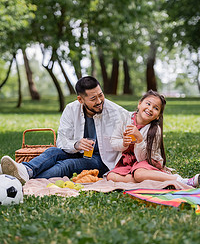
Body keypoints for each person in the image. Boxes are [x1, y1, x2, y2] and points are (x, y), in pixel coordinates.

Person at [1, 76, 129, 184]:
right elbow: (61, 141)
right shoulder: (71, 109)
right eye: (93, 99)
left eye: (100, 95)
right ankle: (26, 170)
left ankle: (14, 179)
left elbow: (136, 121)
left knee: (67, 165)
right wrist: (76, 144)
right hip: (76, 151)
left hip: (100, 159)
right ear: (80, 99)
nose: (100, 101)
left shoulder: (116, 112)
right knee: (52, 152)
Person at [107, 90, 200, 187]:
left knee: (138, 174)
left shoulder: (155, 130)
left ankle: (181, 181)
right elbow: (113, 142)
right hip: (127, 163)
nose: (150, 109)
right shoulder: (124, 119)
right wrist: (123, 143)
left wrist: (139, 140)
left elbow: (143, 158)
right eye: (148, 103)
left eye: (156, 108)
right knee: (111, 177)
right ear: (139, 104)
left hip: (146, 162)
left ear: (158, 116)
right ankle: (155, 180)